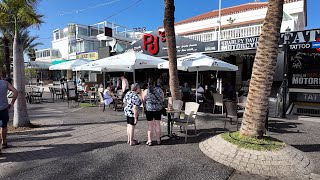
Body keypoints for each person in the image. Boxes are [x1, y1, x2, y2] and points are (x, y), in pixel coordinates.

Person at [142, 78, 164, 146]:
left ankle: (150, 141)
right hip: (158, 110)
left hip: (149, 110)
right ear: (155, 83)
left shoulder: (145, 91)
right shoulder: (159, 90)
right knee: (157, 125)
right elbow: (162, 99)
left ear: (148, 83)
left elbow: (143, 101)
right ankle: (158, 140)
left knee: (150, 126)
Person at [0, 77, 18, 151]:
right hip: (3, 108)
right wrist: (12, 103)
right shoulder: (5, 83)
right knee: (3, 127)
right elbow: (15, 92)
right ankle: (4, 143)